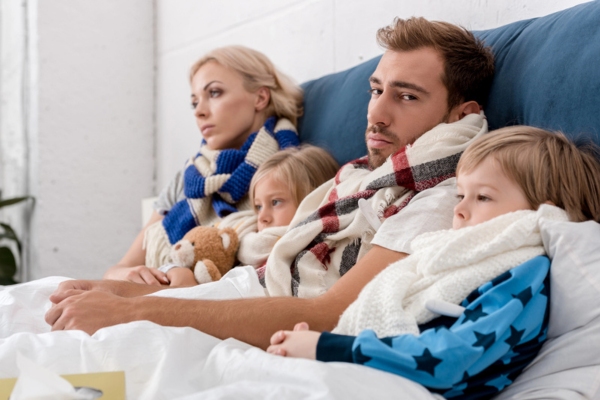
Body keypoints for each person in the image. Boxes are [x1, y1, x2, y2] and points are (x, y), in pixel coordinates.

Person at [45, 17, 496, 349]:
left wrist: (132, 310)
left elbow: (327, 313)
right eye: (376, 89)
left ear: (461, 114)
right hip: (238, 291)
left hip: (262, 318)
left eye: (406, 96)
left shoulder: (442, 196)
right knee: (50, 301)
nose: (376, 113)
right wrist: (114, 289)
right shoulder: (360, 176)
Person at [265, 127, 600, 398]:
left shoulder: (525, 271)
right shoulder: (457, 260)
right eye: (460, 195)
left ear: (544, 210)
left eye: (482, 197)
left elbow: (452, 358)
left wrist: (330, 347)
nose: (459, 209)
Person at [104, 45, 303, 285]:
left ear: (260, 98)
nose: (199, 111)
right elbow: (119, 268)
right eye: (194, 102)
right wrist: (130, 275)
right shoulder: (190, 177)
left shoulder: (291, 170)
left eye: (215, 93)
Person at [165, 145, 340, 287]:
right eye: (258, 206)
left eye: (276, 202)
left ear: (312, 199)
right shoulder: (241, 240)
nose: (262, 217)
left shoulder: (315, 249)